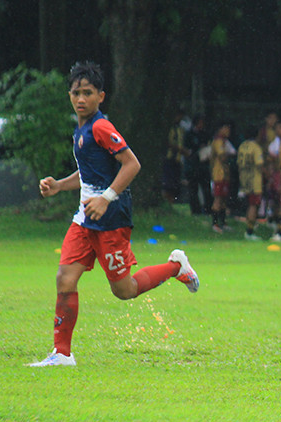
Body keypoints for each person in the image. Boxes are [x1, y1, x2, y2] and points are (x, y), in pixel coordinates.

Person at [28, 61, 199, 367]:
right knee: (65, 278)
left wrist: (106, 199)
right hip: (85, 218)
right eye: (76, 92)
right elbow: (89, 173)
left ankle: (176, 267)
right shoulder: (80, 128)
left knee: (124, 290)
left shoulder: (101, 127)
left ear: (101, 96)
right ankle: (62, 354)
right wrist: (59, 186)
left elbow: (132, 164)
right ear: (69, 95)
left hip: (111, 218)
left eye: (88, 93)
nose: (81, 98)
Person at [237, 125, 267, 240]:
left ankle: (250, 229)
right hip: (255, 180)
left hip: (245, 179)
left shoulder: (242, 146)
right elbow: (259, 164)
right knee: (253, 205)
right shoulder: (256, 147)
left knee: (251, 204)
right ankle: (249, 232)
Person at [210, 121, 236, 233]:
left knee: (224, 199)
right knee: (218, 199)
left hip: (225, 174)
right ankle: (215, 224)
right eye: (226, 129)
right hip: (218, 174)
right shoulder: (218, 141)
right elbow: (222, 156)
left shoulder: (226, 142)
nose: (228, 132)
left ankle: (223, 223)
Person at [184, 115, 211, 215]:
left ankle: (208, 209)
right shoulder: (189, 134)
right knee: (193, 189)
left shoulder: (205, 134)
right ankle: (195, 210)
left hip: (203, 165)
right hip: (193, 165)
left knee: (206, 188)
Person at [161, 108, 187, 205]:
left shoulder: (180, 129)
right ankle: (166, 201)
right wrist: (179, 149)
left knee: (175, 184)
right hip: (169, 159)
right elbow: (168, 143)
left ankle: (171, 203)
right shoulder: (169, 128)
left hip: (178, 159)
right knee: (168, 183)